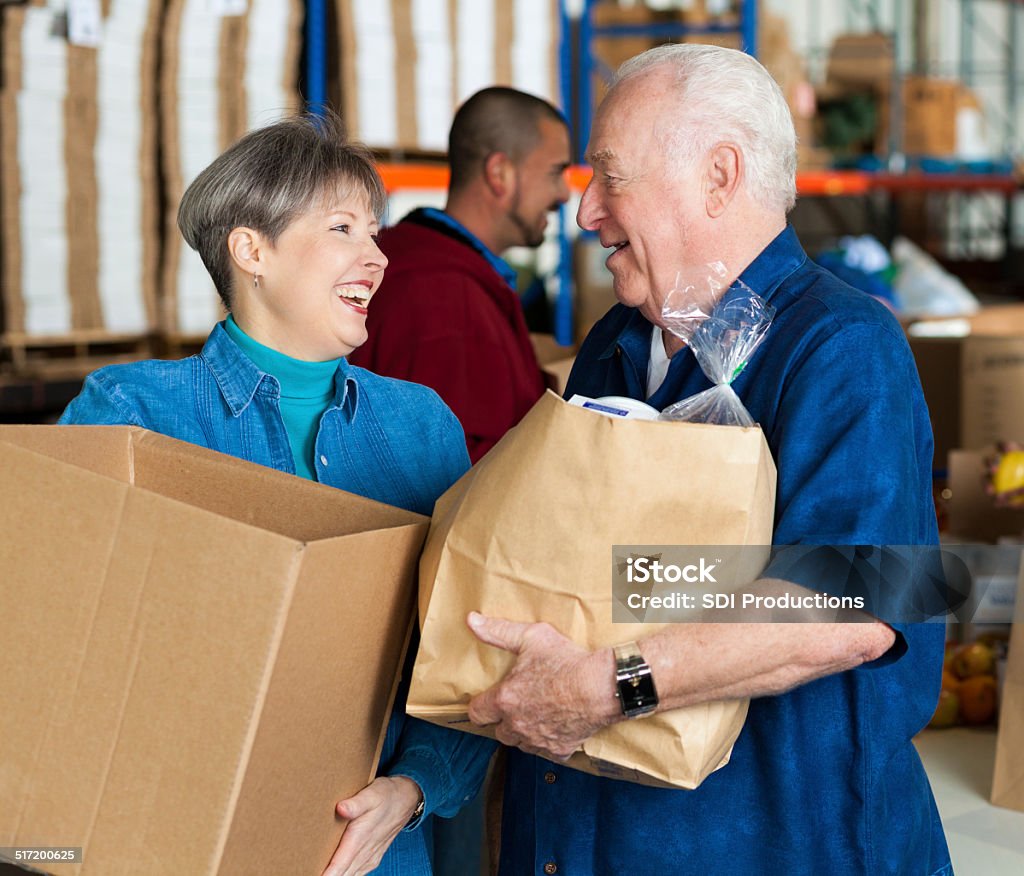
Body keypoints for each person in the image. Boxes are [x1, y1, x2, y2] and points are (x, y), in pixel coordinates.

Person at [464, 45, 953, 875]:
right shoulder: (615, 347)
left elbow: (854, 610)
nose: (586, 213)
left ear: (719, 176)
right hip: (588, 832)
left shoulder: (842, 348)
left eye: (611, 177)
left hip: (775, 841)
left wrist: (601, 689)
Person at [58, 113, 494, 876]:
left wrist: (414, 787)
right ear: (250, 250)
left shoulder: (422, 427)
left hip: (378, 852)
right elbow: (63, 637)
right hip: (177, 846)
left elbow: (468, 648)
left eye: (375, 231)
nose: (377, 257)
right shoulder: (134, 414)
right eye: (343, 229)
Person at [349, 86, 571, 463]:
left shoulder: (433, 266)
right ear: (500, 173)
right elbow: (454, 478)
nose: (565, 193)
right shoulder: (442, 297)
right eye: (555, 172)